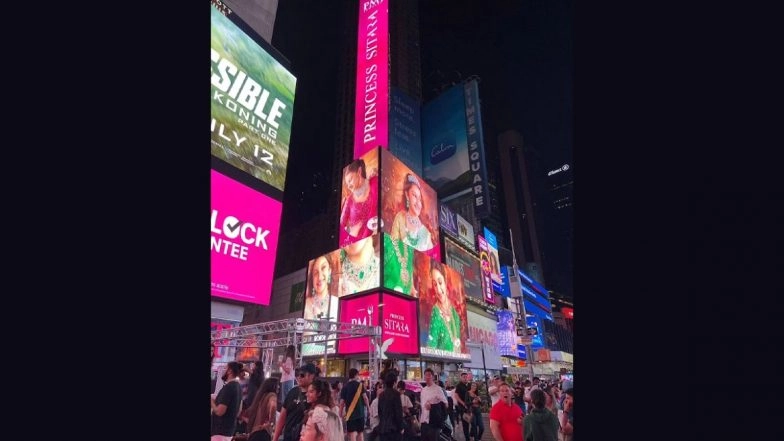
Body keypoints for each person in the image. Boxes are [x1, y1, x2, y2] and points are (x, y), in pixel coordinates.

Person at [273, 363, 319, 441]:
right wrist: (275, 438)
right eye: (298, 375)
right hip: (288, 437)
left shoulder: (316, 395)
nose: (299, 377)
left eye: (302, 375)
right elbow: (282, 418)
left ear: (311, 376)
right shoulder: (292, 392)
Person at [390, 173, 434, 253]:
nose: (418, 202)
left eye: (420, 199)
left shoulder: (426, 234)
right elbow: (391, 248)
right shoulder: (400, 218)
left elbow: (431, 260)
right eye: (414, 195)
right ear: (407, 195)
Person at [340, 158, 379, 247]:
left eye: (350, 180)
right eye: (347, 183)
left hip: (373, 242)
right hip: (356, 246)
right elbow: (341, 226)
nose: (348, 186)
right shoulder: (349, 200)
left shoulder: (374, 183)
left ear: (359, 171)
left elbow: (373, 214)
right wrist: (351, 230)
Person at [427, 262, 461, 352]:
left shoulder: (455, 312)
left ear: (445, 281)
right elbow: (431, 348)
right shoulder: (435, 312)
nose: (438, 289)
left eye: (440, 282)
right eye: (435, 284)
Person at [211, 361, 244, 441]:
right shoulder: (238, 387)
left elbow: (219, 411)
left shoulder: (229, 387)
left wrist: (211, 402)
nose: (223, 370)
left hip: (220, 431)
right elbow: (239, 410)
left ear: (230, 371)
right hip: (229, 431)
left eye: (225, 368)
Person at [304, 254, 339, 321]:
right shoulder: (307, 304)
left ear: (329, 271)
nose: (319, 277)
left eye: (323, 268)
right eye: (315, 272)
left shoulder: (335, 302)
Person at [340, 368, 370, 441]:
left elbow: (342, 402)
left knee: (352, 433)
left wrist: (340, 413)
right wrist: (369, 409)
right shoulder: (360, 385)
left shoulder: (345, 387)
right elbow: (365, 398)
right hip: (360, 414)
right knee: (360, 432)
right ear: (356, 375)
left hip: (350, 414)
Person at [419, 368, 448, 441]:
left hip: (434, 423)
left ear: (433, 377)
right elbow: (422, 406)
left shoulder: (438, 389)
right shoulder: (423, 390)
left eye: (429, 375)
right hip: (424, 422)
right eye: (425, 375)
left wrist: (433, 406)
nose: (427, 377)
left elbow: (446, 404)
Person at [377, 372, 405, 441]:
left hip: (383, 429)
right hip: (394, 429)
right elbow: (398, 412)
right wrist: (401, 427)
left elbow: (379, 412)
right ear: (394, 382)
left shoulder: (381, 395)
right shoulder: (396, 394)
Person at [453, 373, 471, 441]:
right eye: (464, 377)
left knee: (473, 422)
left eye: (466, 377)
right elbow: (456, 396)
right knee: (465, 424)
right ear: (461, 378)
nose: (465, 378)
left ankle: (472, 434)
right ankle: (467, 438)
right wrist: (463, 403)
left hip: (470, 407)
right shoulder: (459, 385)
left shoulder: (469, 385)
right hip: (463, 408)